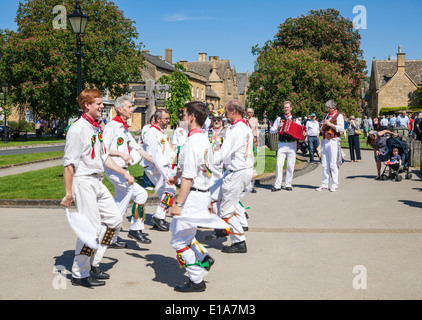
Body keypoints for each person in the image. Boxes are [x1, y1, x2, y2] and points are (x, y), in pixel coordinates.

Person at [60, 88, 135, 288]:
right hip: (83, 181)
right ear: (87, 105)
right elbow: (69, 164)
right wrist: (69, 193)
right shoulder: (78, 130)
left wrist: (123, 172)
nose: (102, 107)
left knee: (114, 220)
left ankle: (93, 261)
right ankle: (79, 273)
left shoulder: (96, 128)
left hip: (96, 180)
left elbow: (103, 157)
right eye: (99, 104)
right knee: (90, 229)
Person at [168, 101, 229, 293]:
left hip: (193, 195)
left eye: (183, 114)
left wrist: (178, 203)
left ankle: (196, 279)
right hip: (201, 194)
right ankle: (202, 256)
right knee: (181, 232)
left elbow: (189, 177)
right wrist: (176, 177)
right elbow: (194, 168)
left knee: (179, 241)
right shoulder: (202, 139)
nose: (181, 118)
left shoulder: (193, 142)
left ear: (192, 117)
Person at [103, 96, 154, 247]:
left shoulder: (124, 129)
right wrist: (120, 154)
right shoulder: (112, 126)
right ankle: (136, 229)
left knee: (120, 206)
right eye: (129, 107)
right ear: (120, 109)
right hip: (115, 170)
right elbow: (103, 149)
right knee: (141, 193)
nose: (132, 109)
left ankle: (110, 239)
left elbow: (139, 149)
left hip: (122, 171)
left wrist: (156, 163)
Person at [212, 100, 254, 253]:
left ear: (233, 112)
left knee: (227, 210)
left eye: (226, 112)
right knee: (212, 196)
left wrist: (204, 162)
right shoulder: (242, 127)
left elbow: (223, 153)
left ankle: (239, 241)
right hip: (239, 171)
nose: (225, 115)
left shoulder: (237, 130)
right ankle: (221, 228)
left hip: (237, 172)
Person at [143, 109, 176, 231]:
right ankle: (158, 216)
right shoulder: (152, 132)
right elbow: (151, 153)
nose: (168, 121)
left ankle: (161, 218)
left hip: (163, 167)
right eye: (165, 119)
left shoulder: (162, 132)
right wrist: (159, 169)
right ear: (158, 119)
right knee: (170, 189)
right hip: (155, 168)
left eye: (168, 118)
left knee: (165, 193)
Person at [316, 100, 344, 192]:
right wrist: (321, 125)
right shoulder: (326, 115)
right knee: (324, 164)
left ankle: (335, 184)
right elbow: (322, 127)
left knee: (333, 164)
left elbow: (341, 128)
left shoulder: (339, 116)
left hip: (333, 141)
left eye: (328, 108)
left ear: (333, 108)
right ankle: (324, 183)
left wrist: (330, 124)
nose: (326, 109)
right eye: (326, 108)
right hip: (325, 141)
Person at [269, 101, 297, 191]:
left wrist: (303, 133)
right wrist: (278, 128)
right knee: (279, 164)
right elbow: (271, 130)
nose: (286, 109)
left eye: (287, 108)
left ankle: (288, 184)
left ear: (291, 108)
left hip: (292, 144)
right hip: (282, 143)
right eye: (285, 107)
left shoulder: (296, 119)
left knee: (290, 165)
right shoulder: (279, 119)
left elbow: (300, 130)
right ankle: (277, 185)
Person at [139, 115, 155, 191]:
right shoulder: (146, 127)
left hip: (155, 150)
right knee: (148, 166)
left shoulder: (156, 129)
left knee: (154, 166)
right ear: (151, 120)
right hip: (147, 150)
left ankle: (152, 182)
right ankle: (146, 184)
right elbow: (145, 138)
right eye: (153, 119)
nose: (154, 121)